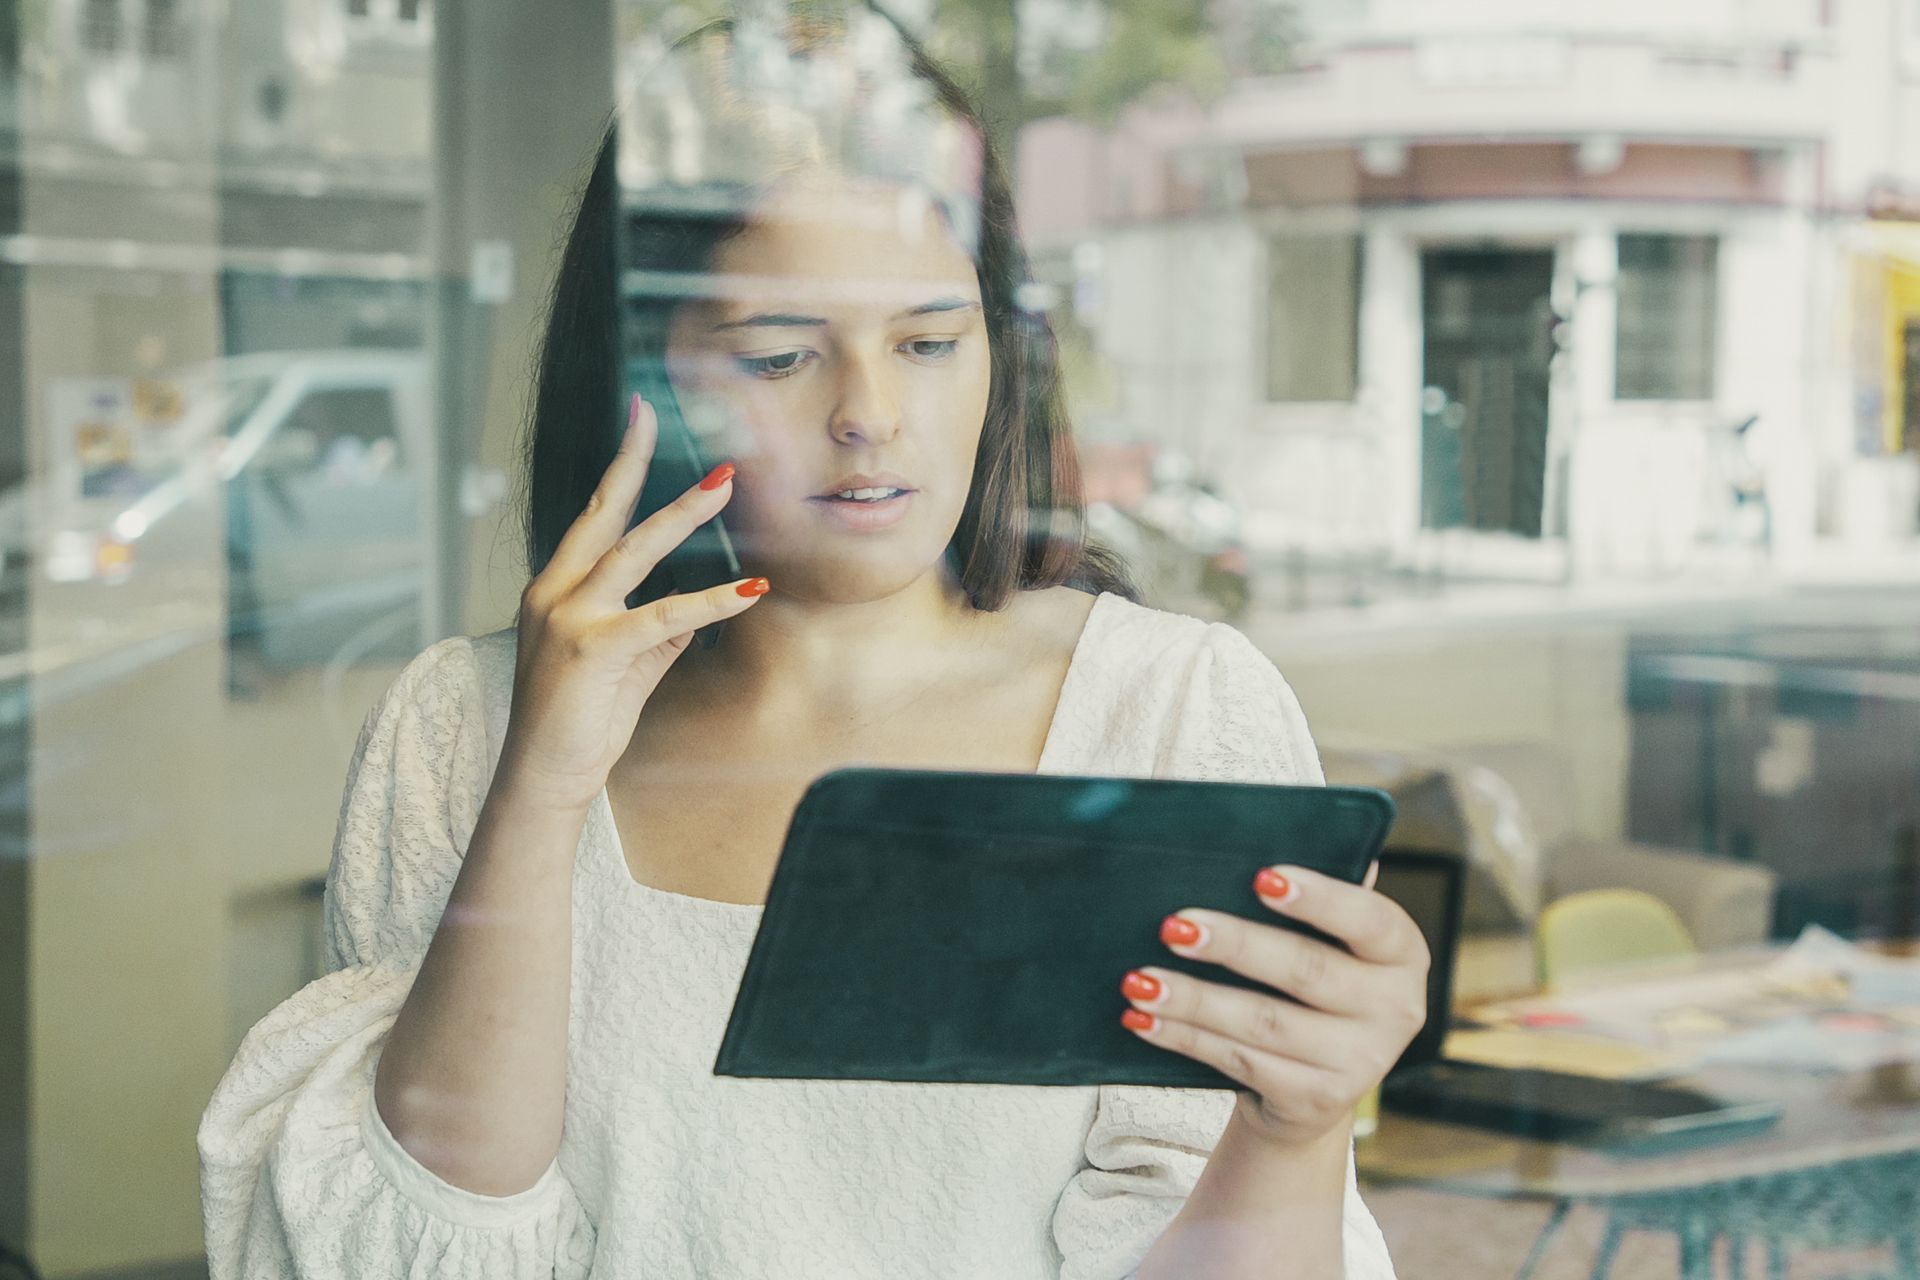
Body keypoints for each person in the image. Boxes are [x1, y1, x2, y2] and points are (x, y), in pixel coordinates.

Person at [198, 10, 1426, 1278]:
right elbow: (422, 1248)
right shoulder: (458, 726)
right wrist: (542, 781)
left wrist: (1298, 1127)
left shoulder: (1173, 714)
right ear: (650, 376)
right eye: (779, 353)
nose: (871, 416)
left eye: (931, 341)